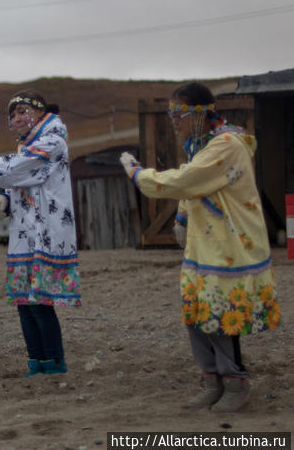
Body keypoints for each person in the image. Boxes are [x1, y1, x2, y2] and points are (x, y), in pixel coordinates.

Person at [119, 82, 279, 412]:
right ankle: (211, 380)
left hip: (229, 243)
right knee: (197, 312)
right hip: (204, 242)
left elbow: (186, 180)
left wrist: (139, 176)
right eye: (170, 113)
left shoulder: (226, 146)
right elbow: (195, 189)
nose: (173, 120)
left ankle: (235, 382)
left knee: (221, 313)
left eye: (178, 113)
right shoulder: (202, 144)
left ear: (199, 113)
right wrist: (180, 217)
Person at [0, 91, 80, 377]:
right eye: (12, 115)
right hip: (25, 232)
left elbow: (24, 169)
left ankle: (54, 363)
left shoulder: (53, 141)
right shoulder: (28, 145)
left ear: (38, 111)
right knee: (23, 302)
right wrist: (7, 199)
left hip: (47, 230)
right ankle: (35, 362)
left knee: (39, 303)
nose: (17, 118)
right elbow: (26, 181)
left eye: (22, 111)